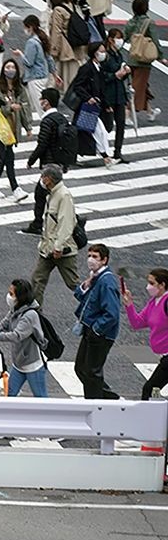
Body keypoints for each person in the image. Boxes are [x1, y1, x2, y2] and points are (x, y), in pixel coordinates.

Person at [22, 88, 73, 236]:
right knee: (54, 193)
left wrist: (31, 160)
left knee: (41, 194)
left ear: (46, 102)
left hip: (49, 165)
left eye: (42, 100)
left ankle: (38, 223)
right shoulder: (62, 118)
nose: (40, 102)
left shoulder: (47, 120)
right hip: (59, 162)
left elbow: (42, 144)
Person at [73, 243, 121, 400]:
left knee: (91, 371)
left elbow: (112, 313)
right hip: (90, 329)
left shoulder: (106, 282)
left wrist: (96, 329)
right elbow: (81, 296)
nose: (90, 260)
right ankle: (108, 397)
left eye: (95, 257)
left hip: (100, 333)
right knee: (81, 368)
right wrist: (86, 284)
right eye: (89, 256)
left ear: (104, 260)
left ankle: (95, 404)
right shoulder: (95, 277)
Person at [30, 164, 79, 306]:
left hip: (61, 250)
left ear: (49, 179)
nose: (41, 179)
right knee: (37, 280)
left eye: (43, 176)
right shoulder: (52, 194)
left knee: (73, 284)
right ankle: (35, 315)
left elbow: (66, 223)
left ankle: (93, 306)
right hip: (47, 249)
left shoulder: (63, 195)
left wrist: (59, 246)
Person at [0, 59, 32, 202]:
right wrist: (9, 108)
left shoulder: (19, 90)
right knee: (6, 158)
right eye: (8, 67)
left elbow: (25, 108)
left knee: (5, 158)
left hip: (12, 129)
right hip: (0, 129)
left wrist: (28, 127)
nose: (10, 69)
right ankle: (14, 188)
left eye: (13, 67)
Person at [123, 269, 168, 400]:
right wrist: (129, 305)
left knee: (149, 389)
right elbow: (137, 323)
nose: (148, 286)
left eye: (151, 283)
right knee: (152, 389)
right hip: (163, 356)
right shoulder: (153, 302)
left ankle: (149, 419)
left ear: (162, 285)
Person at [67, 42, 113, 165]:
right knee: (98, 131)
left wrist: (106, 105)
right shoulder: (86, 68)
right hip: (86, 107)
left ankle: (103, 156)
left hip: (93, 107)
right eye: (101, 51)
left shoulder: (99, 68)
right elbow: (78, 86)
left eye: (104, 51)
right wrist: (88, 98)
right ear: (94, 53)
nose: (104, 54)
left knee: (88, 132)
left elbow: (101, 90)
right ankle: (106, 157)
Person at [123, 0, 165, 123]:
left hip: (132, 58)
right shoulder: (149, 22)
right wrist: (161, 57)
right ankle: (127, 114)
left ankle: (150, 112)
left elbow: (125, 36)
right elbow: (156, 41)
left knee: (141, 86)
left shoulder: (131, 21)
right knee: (138, 88)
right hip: (144, 60)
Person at [100, 29, 131, 163]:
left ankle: (118, 152)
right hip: (108, 94)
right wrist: (115, 75)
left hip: (119, 93)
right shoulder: (105, 55)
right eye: (118, 38)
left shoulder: (119, 54)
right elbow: (101, 75)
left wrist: (126, 72)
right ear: (111, 39)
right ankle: (102, 151)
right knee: (106, 125)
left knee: (121, 123)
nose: (120, 41)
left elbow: (121, 75)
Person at [49, 0, 86, 94]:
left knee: (61, 75)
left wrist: (54, 50)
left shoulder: (58, 10)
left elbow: (56, 32)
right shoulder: (72, 6)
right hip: (76, 45)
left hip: (65, 48)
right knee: (73, 73)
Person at [13, 15, 52, 120]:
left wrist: (20, 54)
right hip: (44, 76)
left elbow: (28, 62)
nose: (24, 30)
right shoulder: (42, 38)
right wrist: (55, 74)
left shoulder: (31, 42)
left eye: (25, 27)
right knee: (45, 102)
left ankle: (47, 125)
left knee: (40, 106)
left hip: (34, 77)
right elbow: (49, 58)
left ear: (30, 27)